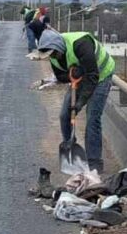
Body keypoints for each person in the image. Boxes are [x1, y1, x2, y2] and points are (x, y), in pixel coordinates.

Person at [36, 29, 115, 173]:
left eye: (54, 53)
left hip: (101, 76)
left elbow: (93, 76)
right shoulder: (52, 53)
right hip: (80, 79)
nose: (53, 57)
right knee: (64, 115)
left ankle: (94, 163)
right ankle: (70, 145)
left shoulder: (81, 44)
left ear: (59, 47)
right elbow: (60, 76)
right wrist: (72, 74)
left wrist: (79, 103)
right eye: (50, 55)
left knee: (92, 119)